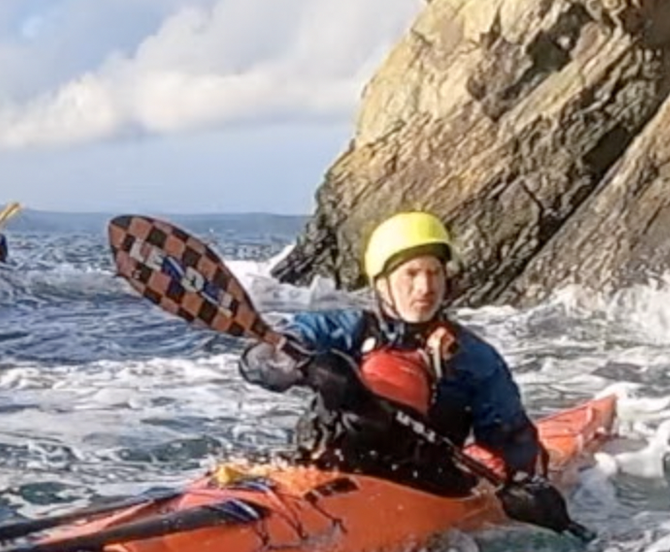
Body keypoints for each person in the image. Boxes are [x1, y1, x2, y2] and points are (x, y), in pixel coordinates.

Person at [238, 210, 575, 531]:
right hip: (328, 468)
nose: (425, 287)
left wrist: (527, 482)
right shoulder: (344, 329)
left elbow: (512, 437)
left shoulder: (475, 358)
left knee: (396, 375)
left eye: (434, 273)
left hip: (424, 485)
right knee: (367, 369)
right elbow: (257, 359)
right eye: (411, 274)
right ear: (382, 284)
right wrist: (302, 365)